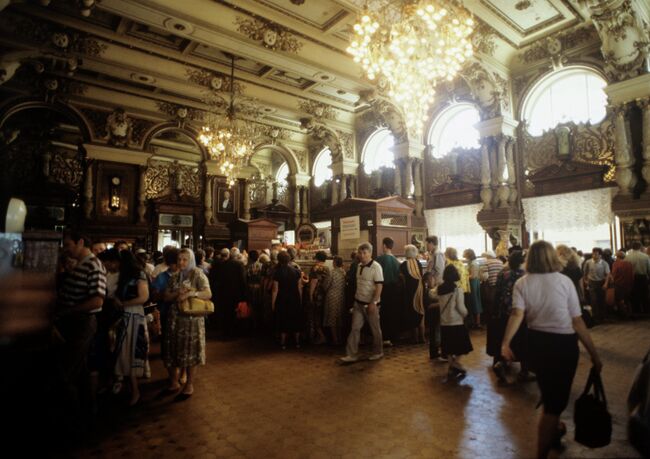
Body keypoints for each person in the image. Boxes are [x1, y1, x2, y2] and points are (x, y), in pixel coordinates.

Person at [502, 240, 602, 459]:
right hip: (563, 345)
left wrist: (505, 343)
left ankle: (555, 430)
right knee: (554, 403)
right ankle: (543, 450)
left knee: (551, 395)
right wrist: (594, 354)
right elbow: (577, 321)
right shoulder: (564, 281)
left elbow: (517, 314)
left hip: (536, 343)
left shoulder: (522, 283)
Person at [56, 232, 107, 431]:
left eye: (68, 245)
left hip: (81, 323)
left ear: (80, 242)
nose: (65, 249)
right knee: (78, 369)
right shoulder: (79, 265)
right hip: (73, 322)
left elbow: (97, 300)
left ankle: (74, 420)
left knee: (67, 370)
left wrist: (66, 310)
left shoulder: (93, 265)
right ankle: (83, 413)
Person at [163, 248, 212, 401]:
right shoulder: (175, 276)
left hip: (191, 320)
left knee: (190, 350)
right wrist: (177, 294)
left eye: (184, 259)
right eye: (179, 259)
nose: (181, 262)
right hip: (175, 319)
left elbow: (208, 293)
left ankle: (189, 383)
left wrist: (192, 293)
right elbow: (166, 296)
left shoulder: (197, 274)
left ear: (190, 260)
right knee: (173, 348)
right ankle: (174, 380)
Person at [487, 251, 531, 384]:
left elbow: (497, 293)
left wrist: (495, 311)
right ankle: (524, 371)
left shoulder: (503, 273)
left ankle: (501, 363)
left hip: (504, 312)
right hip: (520, 313)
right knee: (522, 342)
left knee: (505, 339)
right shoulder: (525, 276)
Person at [113, 250, 150, 406]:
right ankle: (130, 387)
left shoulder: (138, 275)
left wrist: (123, 304)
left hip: (134, 315)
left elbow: (144, 297)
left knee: (131, 350)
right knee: (125, 351)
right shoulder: (126, 275)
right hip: (127, 315)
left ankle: (135, 390)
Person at [340, 242, 384, 363]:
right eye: (360, 253)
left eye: (365, 253)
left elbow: (379, 286)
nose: (362, 255)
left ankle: (378, 352)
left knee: (375, 329)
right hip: (358, 303)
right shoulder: (359, 266)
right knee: (355, 328)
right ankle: (352, 354)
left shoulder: (376, 267)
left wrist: (373, 303)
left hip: (371, 304)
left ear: (370, 253)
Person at [437, 265, 473, 381]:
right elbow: (460, 307)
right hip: (456, 321)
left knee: (448, 347)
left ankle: (452, 366)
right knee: (462, 346)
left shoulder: (439, 289)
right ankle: (456, 364)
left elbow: (431, 294)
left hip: (444, 322)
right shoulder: (457, 290)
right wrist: (466, 313)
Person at [271, 251, 303, 349]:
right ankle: (297, 343)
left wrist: (273, 303)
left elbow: (275, 290)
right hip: (295, 298)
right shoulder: (297, 271)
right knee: (296, 320)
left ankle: (283, 343)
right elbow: (299, 287)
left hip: (282, 298)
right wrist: (300, 299)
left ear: (279, 260)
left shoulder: (277, 272)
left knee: (283, 320)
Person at [375, 237, 402, 346]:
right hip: (394, 290)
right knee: (393, 313)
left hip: (383, 289)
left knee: (384, 314)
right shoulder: (397, 261)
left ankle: (384, 338)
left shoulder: (379, 260)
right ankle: (393, 337)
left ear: (384, 246)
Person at [425, 236, 446, 360]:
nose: (426, 246)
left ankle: (437, 347)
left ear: (432, 243)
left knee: (437, 321)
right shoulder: (434, 254)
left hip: (437, 288)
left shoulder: (438, 254)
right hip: (435, 287)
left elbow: (438, 271)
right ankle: (435, 347)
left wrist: (432, 282)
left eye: (427, 244)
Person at [401, 244, 425, 343]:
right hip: (420, 290)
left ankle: (415, 338)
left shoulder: (403, 265)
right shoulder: (418, 263)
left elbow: (401, 278)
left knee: (412, 312)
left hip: (410, 291)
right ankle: (422, 337)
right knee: (421, 311)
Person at [583, 247, 610, 323]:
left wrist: (606, 283)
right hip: (592, 283)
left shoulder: (604, 263)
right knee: (593, 300)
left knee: (601, 300)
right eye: (593, 254)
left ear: (600, 255)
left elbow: (608, 274)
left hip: (601, 282)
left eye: (596, 254)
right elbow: (585, 273)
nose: (594, 256)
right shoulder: (588, 262)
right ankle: (595, 318)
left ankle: (603, 317)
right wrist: (585, 281)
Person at [308, 251, 329, 344]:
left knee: (315, 315)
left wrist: (310, 295)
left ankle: (321, 336)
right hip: (324, 293)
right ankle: (321, 336)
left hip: (316, 294)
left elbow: (313, 282)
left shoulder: (315, 268)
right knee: (321, 315)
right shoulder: (327, 268)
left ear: (316, 258)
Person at [324, 256, 346, 345]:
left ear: (335, 263)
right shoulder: (343, 272)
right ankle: (340, 337)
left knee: (332, 318)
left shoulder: (331, 272)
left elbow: (326, 285)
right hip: (341, 296)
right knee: (339, 317)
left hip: (332, 296)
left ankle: (335, 339)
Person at [625, 241, 650, 314]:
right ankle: (646, 311)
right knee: (644, 295)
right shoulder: (645, 256)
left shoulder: (627, 257)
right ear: (640, 247)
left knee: (634, 295)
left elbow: (626, 269)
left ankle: (636, 311)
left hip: (632, 278)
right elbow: (649, 269)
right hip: (643, 277)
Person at [608, 250, 634, 317]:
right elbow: (632, 275)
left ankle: (623, 314)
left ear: (617, 256)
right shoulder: (629, 263)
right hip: (628, 284)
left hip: (618, 284)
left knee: (620, 300)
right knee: (627, 299)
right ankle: (629, 313)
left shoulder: (615, 264)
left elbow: (614, 275)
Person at [463, 249, 483, 329]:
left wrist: (463, 277)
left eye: (465, 254)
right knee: (472, 302)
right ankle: (474, 322)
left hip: (473, 283)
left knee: (475, 302)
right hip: (472, 283)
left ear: (469, 255)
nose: (464, 256)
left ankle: (477, 323)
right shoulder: (471, 262)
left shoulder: (473, 263)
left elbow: (473, 276)